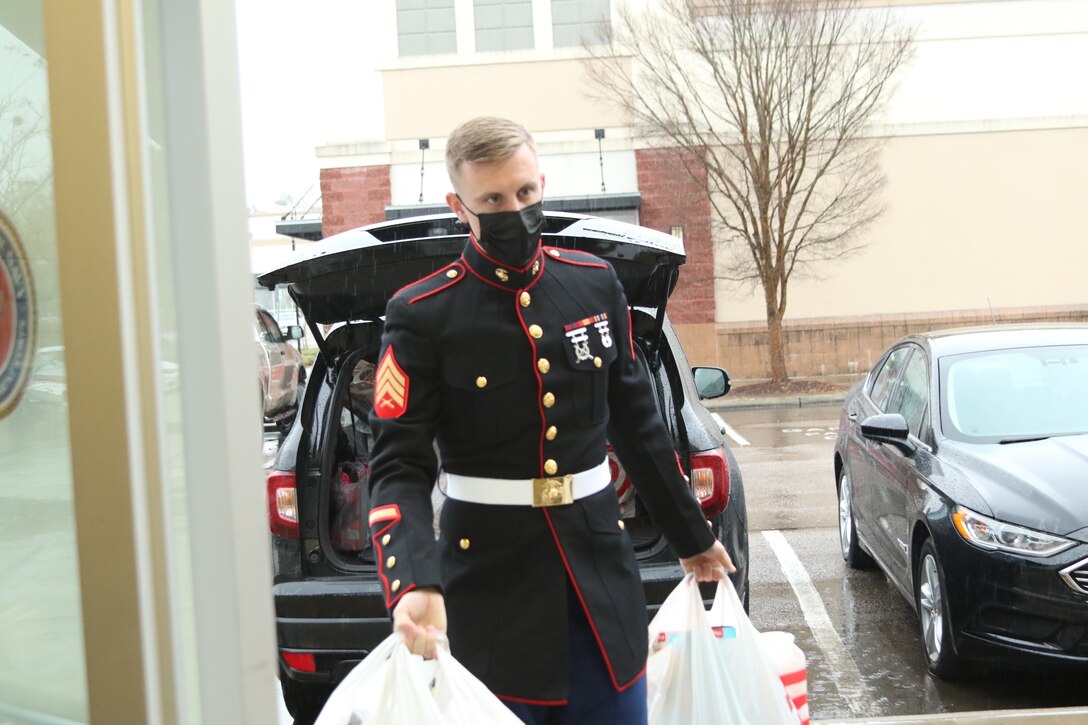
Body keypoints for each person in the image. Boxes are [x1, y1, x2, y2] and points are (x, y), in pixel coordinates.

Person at [366, 116, 733, 724]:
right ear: (460, 206)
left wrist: (694, 539)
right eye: (493, 200)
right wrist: (411, 581)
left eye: (525, 193)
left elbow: (639, 428)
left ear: (542, 182)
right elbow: (398, 468)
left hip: (599, 587)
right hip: (488, 594)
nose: (514, 210)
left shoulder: (592, 286)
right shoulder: (424, 314)